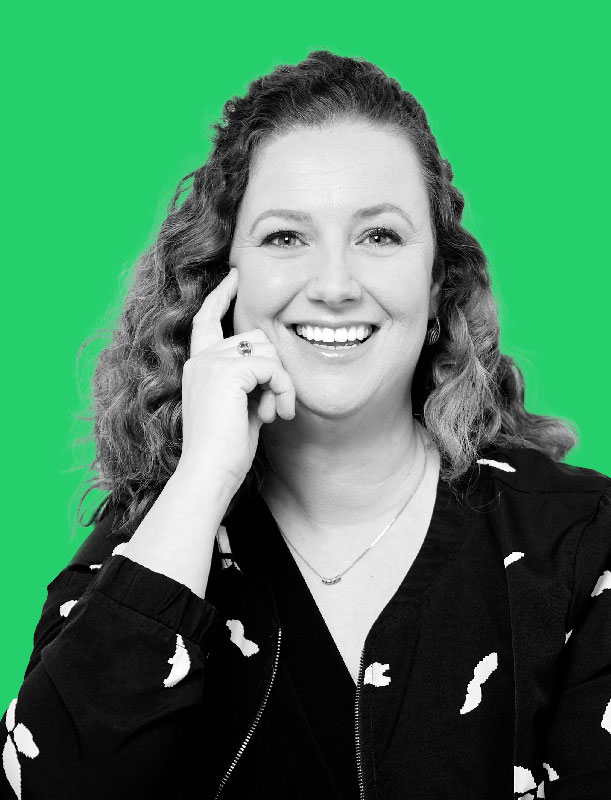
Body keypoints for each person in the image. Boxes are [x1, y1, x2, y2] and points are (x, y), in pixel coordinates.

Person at [2, 50, 610, 800]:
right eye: (285, 237)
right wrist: (200, 480)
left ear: (436, 283)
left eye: (378, 236)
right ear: (220, 282)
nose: (333, 285)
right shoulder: (149, 545)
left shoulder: (581, 545)